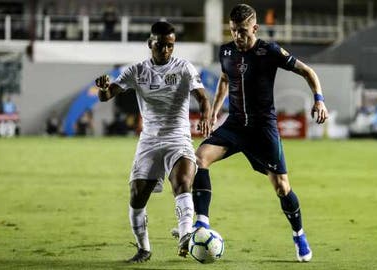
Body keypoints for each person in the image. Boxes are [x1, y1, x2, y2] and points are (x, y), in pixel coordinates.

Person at [190, 4, 328, 263]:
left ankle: (299, 234)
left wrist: (319, 99)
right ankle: (201, 224)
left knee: (281, 187)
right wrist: (213, 113)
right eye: (233, 31)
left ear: (254, 28)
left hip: (263, 129)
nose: (238, 37)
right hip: (234, 126)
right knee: (199, 159)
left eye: (243, 31)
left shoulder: (270, 51)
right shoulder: (226, 51)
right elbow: (224, 80)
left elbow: (308, 72)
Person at [94, 21, 211, 263]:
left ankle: (186, 235)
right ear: (150, 44)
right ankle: (143, 249)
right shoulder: (136, 71)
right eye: (161, 45)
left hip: (178, 138)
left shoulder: (184, 68)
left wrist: (206, 116)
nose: (166, 50)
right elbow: (107, 96)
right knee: (137, 195)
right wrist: (103, 88)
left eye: (170, 46)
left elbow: (202, 96)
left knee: (182, 182)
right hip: (149, 140)